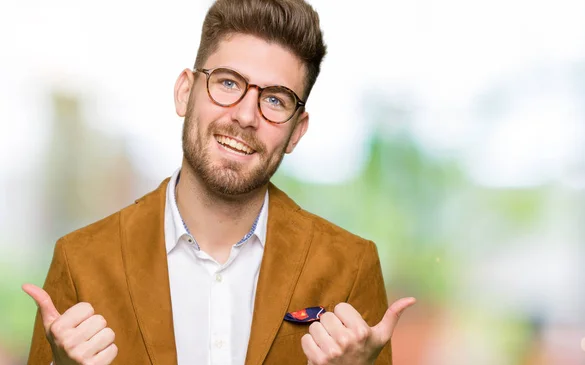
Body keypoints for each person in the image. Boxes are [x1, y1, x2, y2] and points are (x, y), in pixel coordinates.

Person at [23, 0, 416, 364]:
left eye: (276, 99)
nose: (246, 115)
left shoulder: (350, 268)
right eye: (228, 82)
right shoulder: (81, 263)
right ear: (184, 92)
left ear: (297, 132)